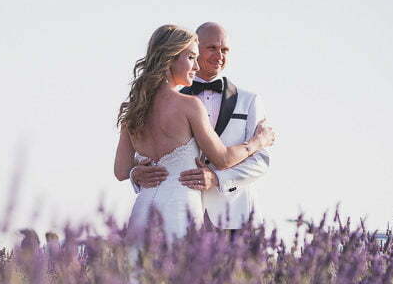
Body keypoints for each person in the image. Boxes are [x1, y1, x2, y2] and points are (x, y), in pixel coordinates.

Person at [114, 24, 274, 244]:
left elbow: (121, 170)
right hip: (180, 210)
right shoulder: (189, 105)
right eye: (191, 57)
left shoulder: (134, 107)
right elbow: (223, 158)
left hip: (143, 211)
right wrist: (257, 141)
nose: (197, 66)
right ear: (169, 58)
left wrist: (136, 172)